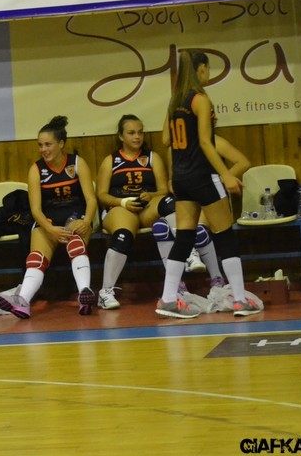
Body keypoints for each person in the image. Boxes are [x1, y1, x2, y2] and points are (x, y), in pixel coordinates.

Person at [157, 50, 262, 318]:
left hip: (181, 178)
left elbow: (166, 139)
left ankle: (168, 299)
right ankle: (239, 300)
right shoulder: (200, 99)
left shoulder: (175, 101)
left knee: (184, 237)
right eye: (208, 69)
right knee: (225, 235)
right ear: (201, 68)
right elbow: (206, 142)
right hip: (202, 177)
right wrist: (225, 174)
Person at [0, 115, 98, 318]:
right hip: (48, 221)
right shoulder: (36, 169)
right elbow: (35, 209)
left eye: (48, 144)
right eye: (40, 145)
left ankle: (84, 294)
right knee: (36, 258)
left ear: (61, 144)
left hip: (75, 217)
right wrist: (50, 229)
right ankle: (22, 302)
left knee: (75, 243)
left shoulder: (77, 163)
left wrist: (87, 221)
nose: (43, 149)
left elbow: (91, 199)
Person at [153, 135, 252, 295]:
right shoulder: (175, 147)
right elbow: (172, 179)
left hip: (211, 195)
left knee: (202, 231)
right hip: (188, 196)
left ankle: (218, 279)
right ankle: (174, 288)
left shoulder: (213, 140)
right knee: (162, 228)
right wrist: (180, 187)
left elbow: (243, 162)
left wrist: (222, 179)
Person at [94, 114, 170, 310]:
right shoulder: (111, 161)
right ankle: (105, 292)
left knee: (171, 203)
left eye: (140, 132)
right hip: (120, 207)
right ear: (121, 136)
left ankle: (183, 270)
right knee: (123, 235)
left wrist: (151, 195)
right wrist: (123, 202)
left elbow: (164, 190)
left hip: (146, 208)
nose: (137, 137)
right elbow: (101, 195)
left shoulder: (152, 157)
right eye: (131, 133)